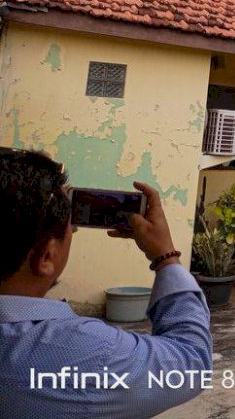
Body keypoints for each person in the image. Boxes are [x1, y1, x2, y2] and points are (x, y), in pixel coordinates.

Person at [0, 148, 212, 418]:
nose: (75, 229)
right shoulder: (88, 352)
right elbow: (190, 363)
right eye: (70, 223)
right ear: (47, 256)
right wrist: (165, 257)